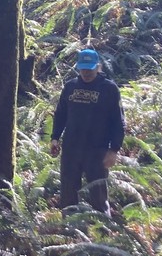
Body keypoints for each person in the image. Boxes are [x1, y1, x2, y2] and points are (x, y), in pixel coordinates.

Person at [49, 48, 125, 216]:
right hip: (71, 149)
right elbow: (60, 114)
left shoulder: (109, 89)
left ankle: (103, 229)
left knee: (98, 194)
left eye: (89, 68)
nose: (86, 72)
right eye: (83, 68)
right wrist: (55, 137)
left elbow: (118, 122)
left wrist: (114, 150)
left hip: (97, 150)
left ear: (98, 67)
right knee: (68, 192)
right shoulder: (70, 87)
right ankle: (70, 230)